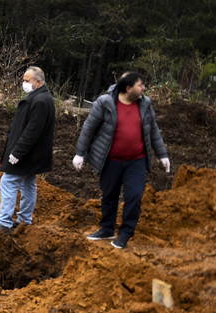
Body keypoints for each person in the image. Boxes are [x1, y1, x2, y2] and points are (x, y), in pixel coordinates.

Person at [72, 72, 170, 249]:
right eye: (140, 85)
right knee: (109, 195)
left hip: (136, 160)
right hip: (111, 160)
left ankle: (125, 233)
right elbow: (89, 127)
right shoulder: (105, 102)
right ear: (128, 88)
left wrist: (162, 155)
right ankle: (107, 228)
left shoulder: (145, 103)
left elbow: (153, 129)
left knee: (134, 195)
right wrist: (80, 153)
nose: (144, 88)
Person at [0, 66, 55, 233]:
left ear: (38, 82)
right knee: (28, 184)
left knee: (8, 182)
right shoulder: (42, 98)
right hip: (34, 154)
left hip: (27, 154)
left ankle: (4, 223)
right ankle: (25, 220)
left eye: (27, 80)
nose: (23, 83)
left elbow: (33, 130)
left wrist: (18, 152)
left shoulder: (39, 101)